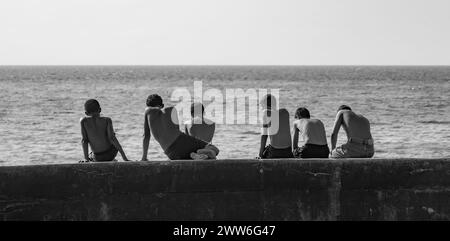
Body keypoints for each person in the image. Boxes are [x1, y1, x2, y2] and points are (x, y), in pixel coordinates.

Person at [141, 94, 219, 161]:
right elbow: (177, 131)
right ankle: (196, 153)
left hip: (170, 153)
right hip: (181, 142)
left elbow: (146, 136)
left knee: (188, 155)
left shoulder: (148, 113)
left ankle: (193, 155)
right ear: (162, 105)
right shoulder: (171, 110)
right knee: (215, 150)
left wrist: (144, 158)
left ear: (148, 106)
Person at [258, 94, 293, 159]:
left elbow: (264, 135)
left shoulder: (265, 113)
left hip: (275, 151)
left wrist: (260, 154)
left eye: (261, 106)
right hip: (288, 151)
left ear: (264, 105)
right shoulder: (285, 112)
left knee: (265, 152)